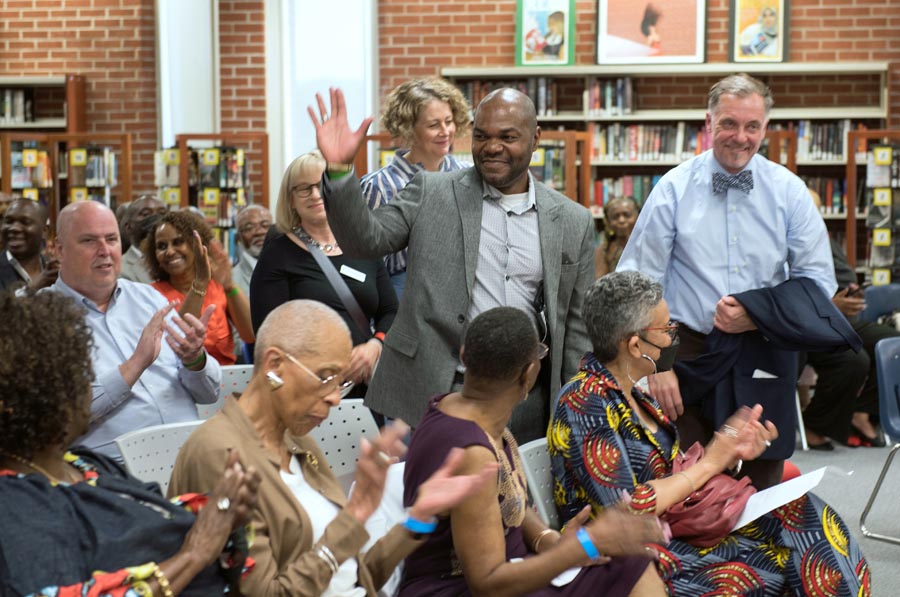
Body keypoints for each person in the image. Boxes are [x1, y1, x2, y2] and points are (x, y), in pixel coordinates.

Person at [549, 272, 871, 596]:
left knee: (807, 515)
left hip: (677, 528)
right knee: (787, 568)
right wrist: (711, 462)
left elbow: (673, 474)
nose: (672, 337)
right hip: (633, 555)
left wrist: (728, 448)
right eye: (667, 329)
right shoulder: (584, 400)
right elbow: (623, 511)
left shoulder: (636, 396)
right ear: (635, 345)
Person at [310, 86, 595, 443]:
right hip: (431, 392)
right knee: (423, 497)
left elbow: (576, 328)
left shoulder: (572, 221)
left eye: (508, 137)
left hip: (522, 402)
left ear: (535, 138)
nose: (492, 147)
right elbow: (365, 241)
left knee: (511, 498)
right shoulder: (432, 191)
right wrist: (338, 170)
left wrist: (576, 411)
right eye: (481, 136)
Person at [169, 299, 496, 596]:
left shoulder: (297, 442)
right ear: (274, 365)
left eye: (341, 382)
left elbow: (351, 574)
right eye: (326, 377)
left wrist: (419, 517)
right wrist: (353, 518)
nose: (336, 398)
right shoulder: (218, 455)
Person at [616, 73, 837, 489]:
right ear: (708, 123)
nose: (740, 137)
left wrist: (758, 315)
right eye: (729, 124)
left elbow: (819, 281)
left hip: (765, 348)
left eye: (752, 126)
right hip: (685, 351)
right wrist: (654, 363)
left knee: (762, 477)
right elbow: (636, 282)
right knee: (684, 476)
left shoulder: (789, 191)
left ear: (765, 128)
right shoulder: (673, 189)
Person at [0, 290, 262, 596]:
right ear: (42, 396)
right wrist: (194, 554)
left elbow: (154, 517)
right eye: (80, 376)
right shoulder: (16, 508)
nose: (89, 388)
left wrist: (222, 511)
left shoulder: (83, 464)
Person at [401, 306, 667, 596]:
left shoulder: (462, 407)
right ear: (528, 374)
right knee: (631, 566)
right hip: (457, 588)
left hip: (509, 567)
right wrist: (583, 545)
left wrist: (546, 539)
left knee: (627, 563)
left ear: (466, 356)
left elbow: (504, 499)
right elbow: (487, 584)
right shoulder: (474, 454)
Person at [49, 201, 221, 460]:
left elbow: (209, 393)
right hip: (113, 473)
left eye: (111, 239)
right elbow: (57, 418)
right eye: (89, 241)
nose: (105, 251)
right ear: (58, 249)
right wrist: (135, 365)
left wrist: (194, 359)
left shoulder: (148, 298)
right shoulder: (39, 316)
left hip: (192, 456)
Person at [251, 151, 398, 399]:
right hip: (306, 392)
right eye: (304, 189)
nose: (316, 195)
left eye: (321, 186)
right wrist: (323, 369)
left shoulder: (363, 245)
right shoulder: (277, 256)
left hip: (365, 387)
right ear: (290, 200)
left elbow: (391, 311)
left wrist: (375, 345)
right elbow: (268, 336)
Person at [801, 190, 896, 449]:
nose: (812, 217)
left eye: (816, 211)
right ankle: (814, 423)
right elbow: (787, 297)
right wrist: (832, 304)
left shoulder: (823, 239)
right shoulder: (787, 242)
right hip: (804, 324)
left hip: (838, 318)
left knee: (891, 343)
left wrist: (853, 295)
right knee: (853, 359)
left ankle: (862, 411)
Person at [361, 76, 471, 298]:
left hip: (461, 295)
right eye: (433, 125)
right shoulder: (379, 185)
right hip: (405, 298)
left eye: (448, 121)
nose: (445, 131)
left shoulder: (467, 175)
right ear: (409, 129)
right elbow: (370, 263)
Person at [145, 210, 255, 366]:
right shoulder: (150, 294)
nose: (169, 251)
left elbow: (250, 335)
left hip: (224, 381)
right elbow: (179, 342)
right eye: (162, 246)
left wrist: (229, 285)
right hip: (177, 382)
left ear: (196, 245)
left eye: (178, 242)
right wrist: (200, 283)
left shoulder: (218, 286)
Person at [0, 197, 58, 294]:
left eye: (25, 222)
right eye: (9, 221)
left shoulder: (52, 269)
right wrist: (33, 288)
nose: (14, 228)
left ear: (44, 230)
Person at [120, 194, 167, 284]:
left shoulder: (174, 260)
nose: (156, 219)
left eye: (162, 213)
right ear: (128, 226)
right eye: (146, 214)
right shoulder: (121, 269)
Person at [232, 204, 272, 297]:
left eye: (265, 225)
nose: (259, 232)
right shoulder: (232, 280)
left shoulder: (291, 266)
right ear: (238, 238)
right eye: (249, 228)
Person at [595, 196, 639, 279]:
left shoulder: (647, 246)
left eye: (627, 215)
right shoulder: (604, 250)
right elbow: (600, 282)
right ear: (608, 222)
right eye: (615, 217)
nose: (621, 220)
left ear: (637, 217)